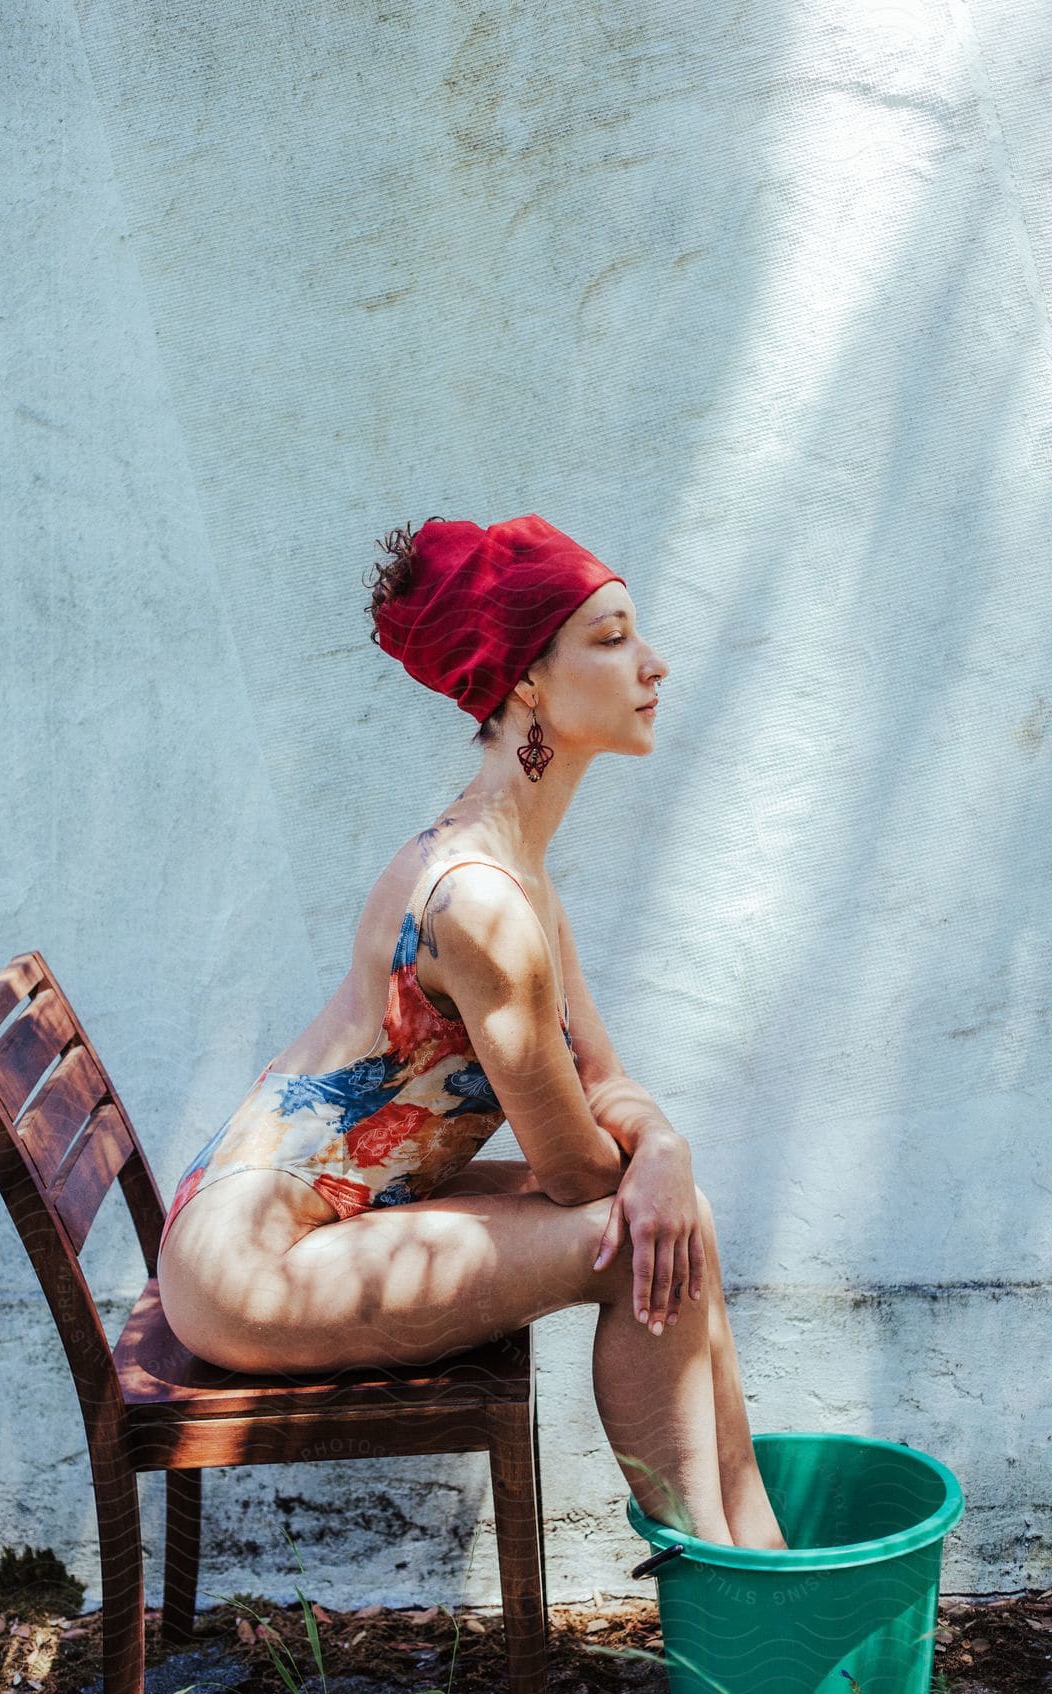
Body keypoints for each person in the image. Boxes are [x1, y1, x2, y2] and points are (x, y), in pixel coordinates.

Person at [156, 512, 789, 1550]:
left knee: (680, 1219)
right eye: (613, 635)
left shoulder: (515, 868)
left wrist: (664, 1147)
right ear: (528, 682)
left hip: (329, 1219)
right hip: (252, 1269)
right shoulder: (482, 903)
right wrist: (649, 1161)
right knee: (633, 1240)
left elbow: (602, 1081)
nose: (653, 662)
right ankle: (726, 1579)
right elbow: (580, 1172)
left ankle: (763, 1560)